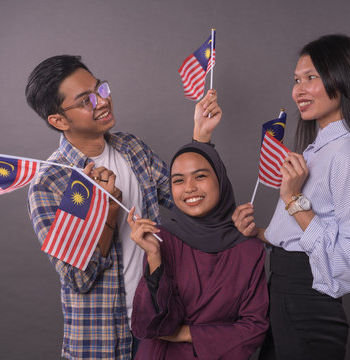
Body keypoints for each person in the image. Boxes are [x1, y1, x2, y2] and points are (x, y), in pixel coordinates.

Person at [25, 55, 221, 360]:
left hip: (157, 325)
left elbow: (188, 202)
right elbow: (79, 278)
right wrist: (107, 212)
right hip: (100, 339)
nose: (102, 102)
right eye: (86, 100)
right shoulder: (51, 183)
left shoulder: (132, 148)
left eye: (100, 89)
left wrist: (201, 137)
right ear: (59, 120)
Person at [232, 34, 350, 359]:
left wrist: (293, 199)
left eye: (311, 77)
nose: (298, 90)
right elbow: (300, 237)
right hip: (280, 292)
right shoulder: (316, 151)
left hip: (309, 303)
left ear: (341, 79)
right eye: (296, 80)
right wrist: (259, 234)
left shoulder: (348, 153)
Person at [127, 142, 269, 359]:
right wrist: (154, 257)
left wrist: (187, 333)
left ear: (220, 180)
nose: (189, 188)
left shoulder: (249, 249)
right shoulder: (159, 239)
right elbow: (151, 325)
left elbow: (254, 330)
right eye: (178, 180)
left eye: (200, 176)